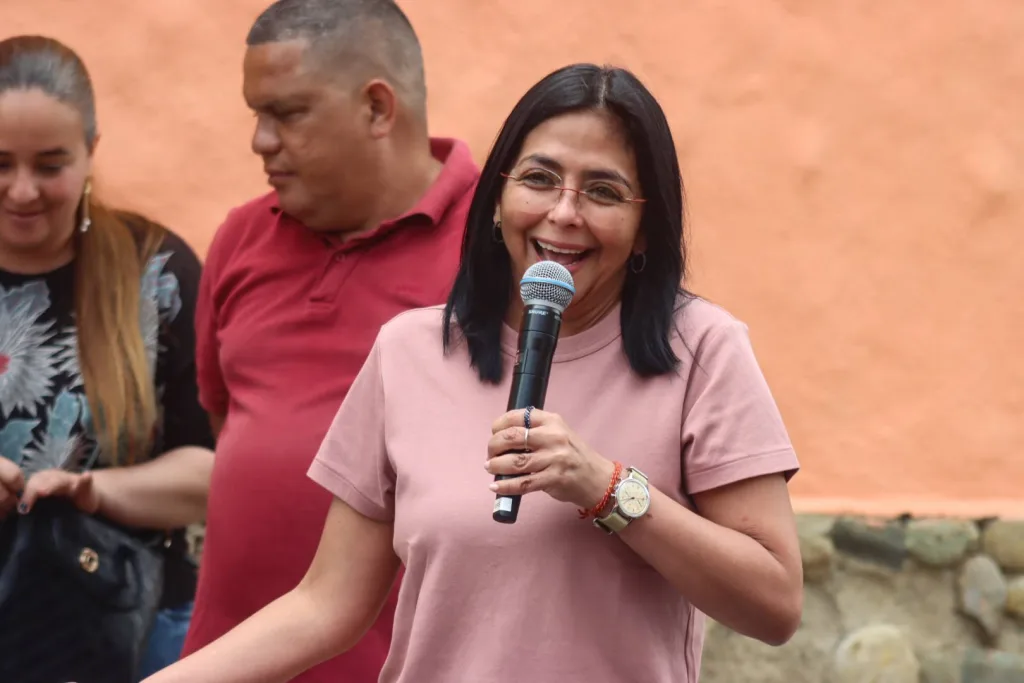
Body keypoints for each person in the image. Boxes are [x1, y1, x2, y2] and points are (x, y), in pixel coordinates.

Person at [145, 61, 804, 683]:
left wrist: (605, 488)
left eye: (602, 190)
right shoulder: (409, 352)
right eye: (539, 179)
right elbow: (327, 604)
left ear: (646, 226)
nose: (564, 213)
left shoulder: (704, 350)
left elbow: (773, 602)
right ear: (494, 201)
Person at [179, 1, 479, 681]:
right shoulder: (241, 237)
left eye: (286, 114)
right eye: (256, 114)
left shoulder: (498, 252)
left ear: (377, 108)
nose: (260, 140)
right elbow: (230, 425)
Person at [0, 35, 215, 680]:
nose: (22, 190)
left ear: (91, 152)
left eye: (50, 163)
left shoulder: (159, 273)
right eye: (0, 162)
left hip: (123, 624)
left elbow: (210, 470)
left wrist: (93, 490)